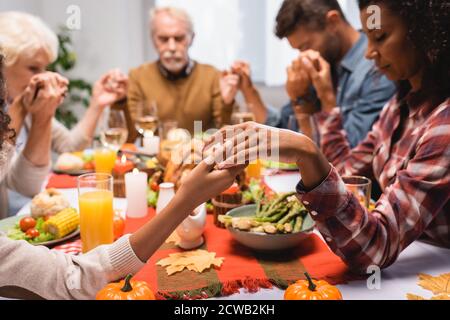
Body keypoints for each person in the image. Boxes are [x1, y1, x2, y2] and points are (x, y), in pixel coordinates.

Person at [206, 0, 449, 272]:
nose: (369, 53)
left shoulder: (442, 122)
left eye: (380, 37)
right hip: (410, 253)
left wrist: (307, 149)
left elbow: (374, 250)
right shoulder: (399, 105)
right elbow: (344, 171)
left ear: (424, 30)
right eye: (368, 38)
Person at [0, 53, 244, 299]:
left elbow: (35, 174)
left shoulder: (210, 74)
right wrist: (186, 200)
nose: (8, 133)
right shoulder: (141, 75)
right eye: (3, 113)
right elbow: (76, 280)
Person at [0, 12, 128, 217]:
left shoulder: (24, 100)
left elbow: (70, 147)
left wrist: (97, 103)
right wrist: (21, 109)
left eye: (45, 68)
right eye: (33, 68)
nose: (43, 77)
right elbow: (24, 186)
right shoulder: (17, 104)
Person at [230, 0, 396, 148]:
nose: (303, 55)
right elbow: (283, 131)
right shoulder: (323, 63)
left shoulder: (379, 65)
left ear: (332, 22)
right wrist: (249, 91)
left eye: (306, 45)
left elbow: (352, 150)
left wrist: (325, 96)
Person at [124, 6, 239, 139]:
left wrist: (228, 104)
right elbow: (129, 137)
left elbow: (228, 135)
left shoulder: (213, 76)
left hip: (200, 157)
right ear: (153, 40)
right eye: (163, 39)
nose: (171, 47)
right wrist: (119, 102)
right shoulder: (138, 76)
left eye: (179, 38)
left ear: (192, 38)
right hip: (154, 158)